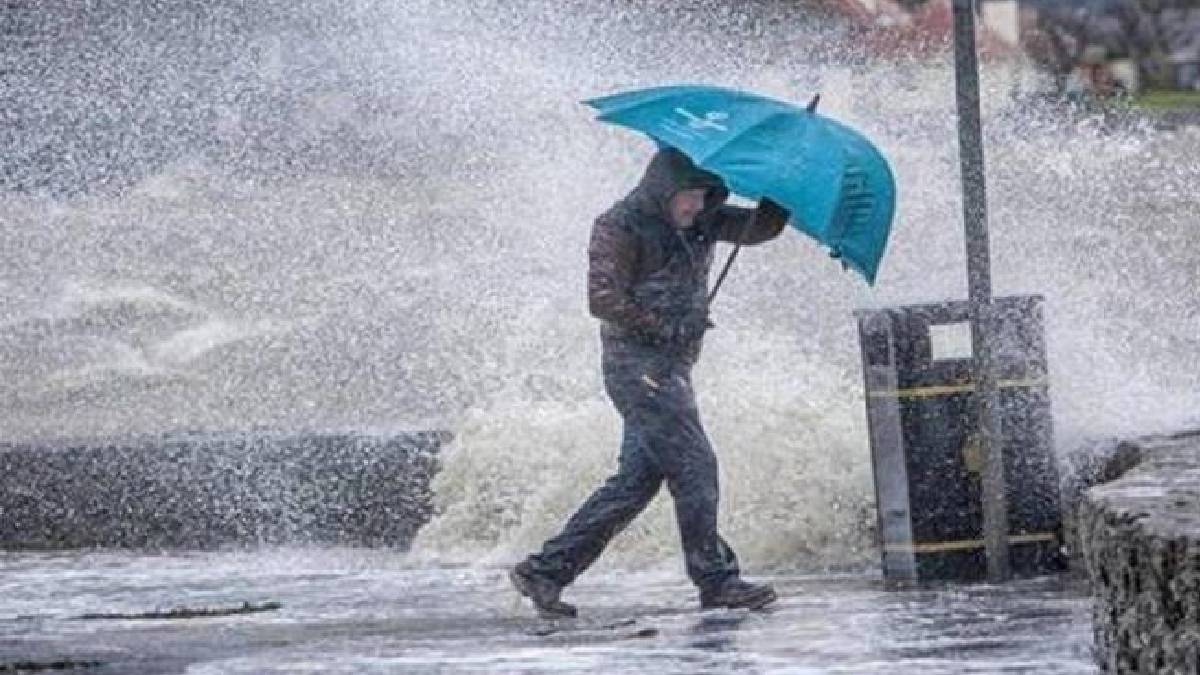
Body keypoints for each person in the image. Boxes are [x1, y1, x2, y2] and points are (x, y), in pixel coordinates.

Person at [510, 147, 789, 617]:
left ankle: (546, 571)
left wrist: (778, 191)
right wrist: (664, 327)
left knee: (635, 482)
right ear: (664, 190)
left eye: (705, 196)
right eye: (689, 196)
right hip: (636, 367)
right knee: (696, 467)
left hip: (672, 368)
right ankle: (717, 581)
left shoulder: (704, 220)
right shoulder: (619, 225)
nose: (696, 207)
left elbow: (759, 228)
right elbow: (601, 299)